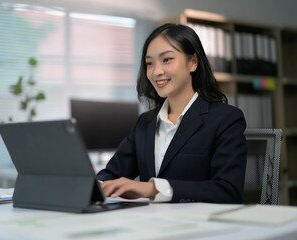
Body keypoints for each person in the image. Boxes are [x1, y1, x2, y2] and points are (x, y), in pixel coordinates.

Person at [97, 23, 247, 204]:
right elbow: (110, 176)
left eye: (167, 59)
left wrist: (153, 189)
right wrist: (94, 187)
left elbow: (228, 191)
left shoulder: (225, 119)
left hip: (200, 226)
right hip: (151, 225)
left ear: (193, 62)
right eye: (149, 63)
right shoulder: (145, 123)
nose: (156, 71)